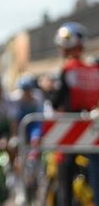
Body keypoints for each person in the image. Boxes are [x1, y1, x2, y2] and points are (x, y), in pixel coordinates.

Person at [46, 21, 99, 199]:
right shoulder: (94, 70)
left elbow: (55, 102)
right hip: (93, 130)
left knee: (65, 173)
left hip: (71, 132)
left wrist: (48, 89)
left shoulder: (69, 69)